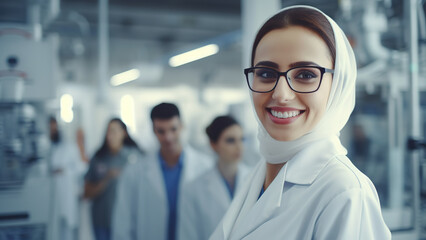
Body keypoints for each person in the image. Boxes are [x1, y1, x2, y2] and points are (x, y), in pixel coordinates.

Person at [210, 6, 391, 240]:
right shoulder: (260, 173)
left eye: (305, 75)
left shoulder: (345, 192)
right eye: (266, 73)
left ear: (338, 84)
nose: (281, 94)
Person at [112, 102, 213, 240]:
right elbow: (123, 221)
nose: (168, 137)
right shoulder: (135, 172)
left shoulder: (205, 167)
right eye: (161, 131)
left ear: (182, 126)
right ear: (153, 130)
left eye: (173, 129)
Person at [178, 115, 250, 240]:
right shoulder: (194, 189)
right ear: (213, 144)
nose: (239, 147)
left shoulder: (258, 180)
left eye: (241, 139)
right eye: (230, 140)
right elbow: (188, 235)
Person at [84, 118, 142, 240]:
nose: (110, 136)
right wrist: (106, 179)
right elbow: (86, 193)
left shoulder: (134, 157)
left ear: (124, 133)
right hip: (102, 221)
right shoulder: (99, 158)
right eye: (108, 132)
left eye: (114, 131)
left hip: (128, 222)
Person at [49, 116, 86, 240]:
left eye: (55, 128)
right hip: (53, 196)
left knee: (69, 230)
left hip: (68, 195)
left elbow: (81, 168)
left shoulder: (70, 148)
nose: (53, 130)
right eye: (51, 129)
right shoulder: (49, 148)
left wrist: (63, 171)